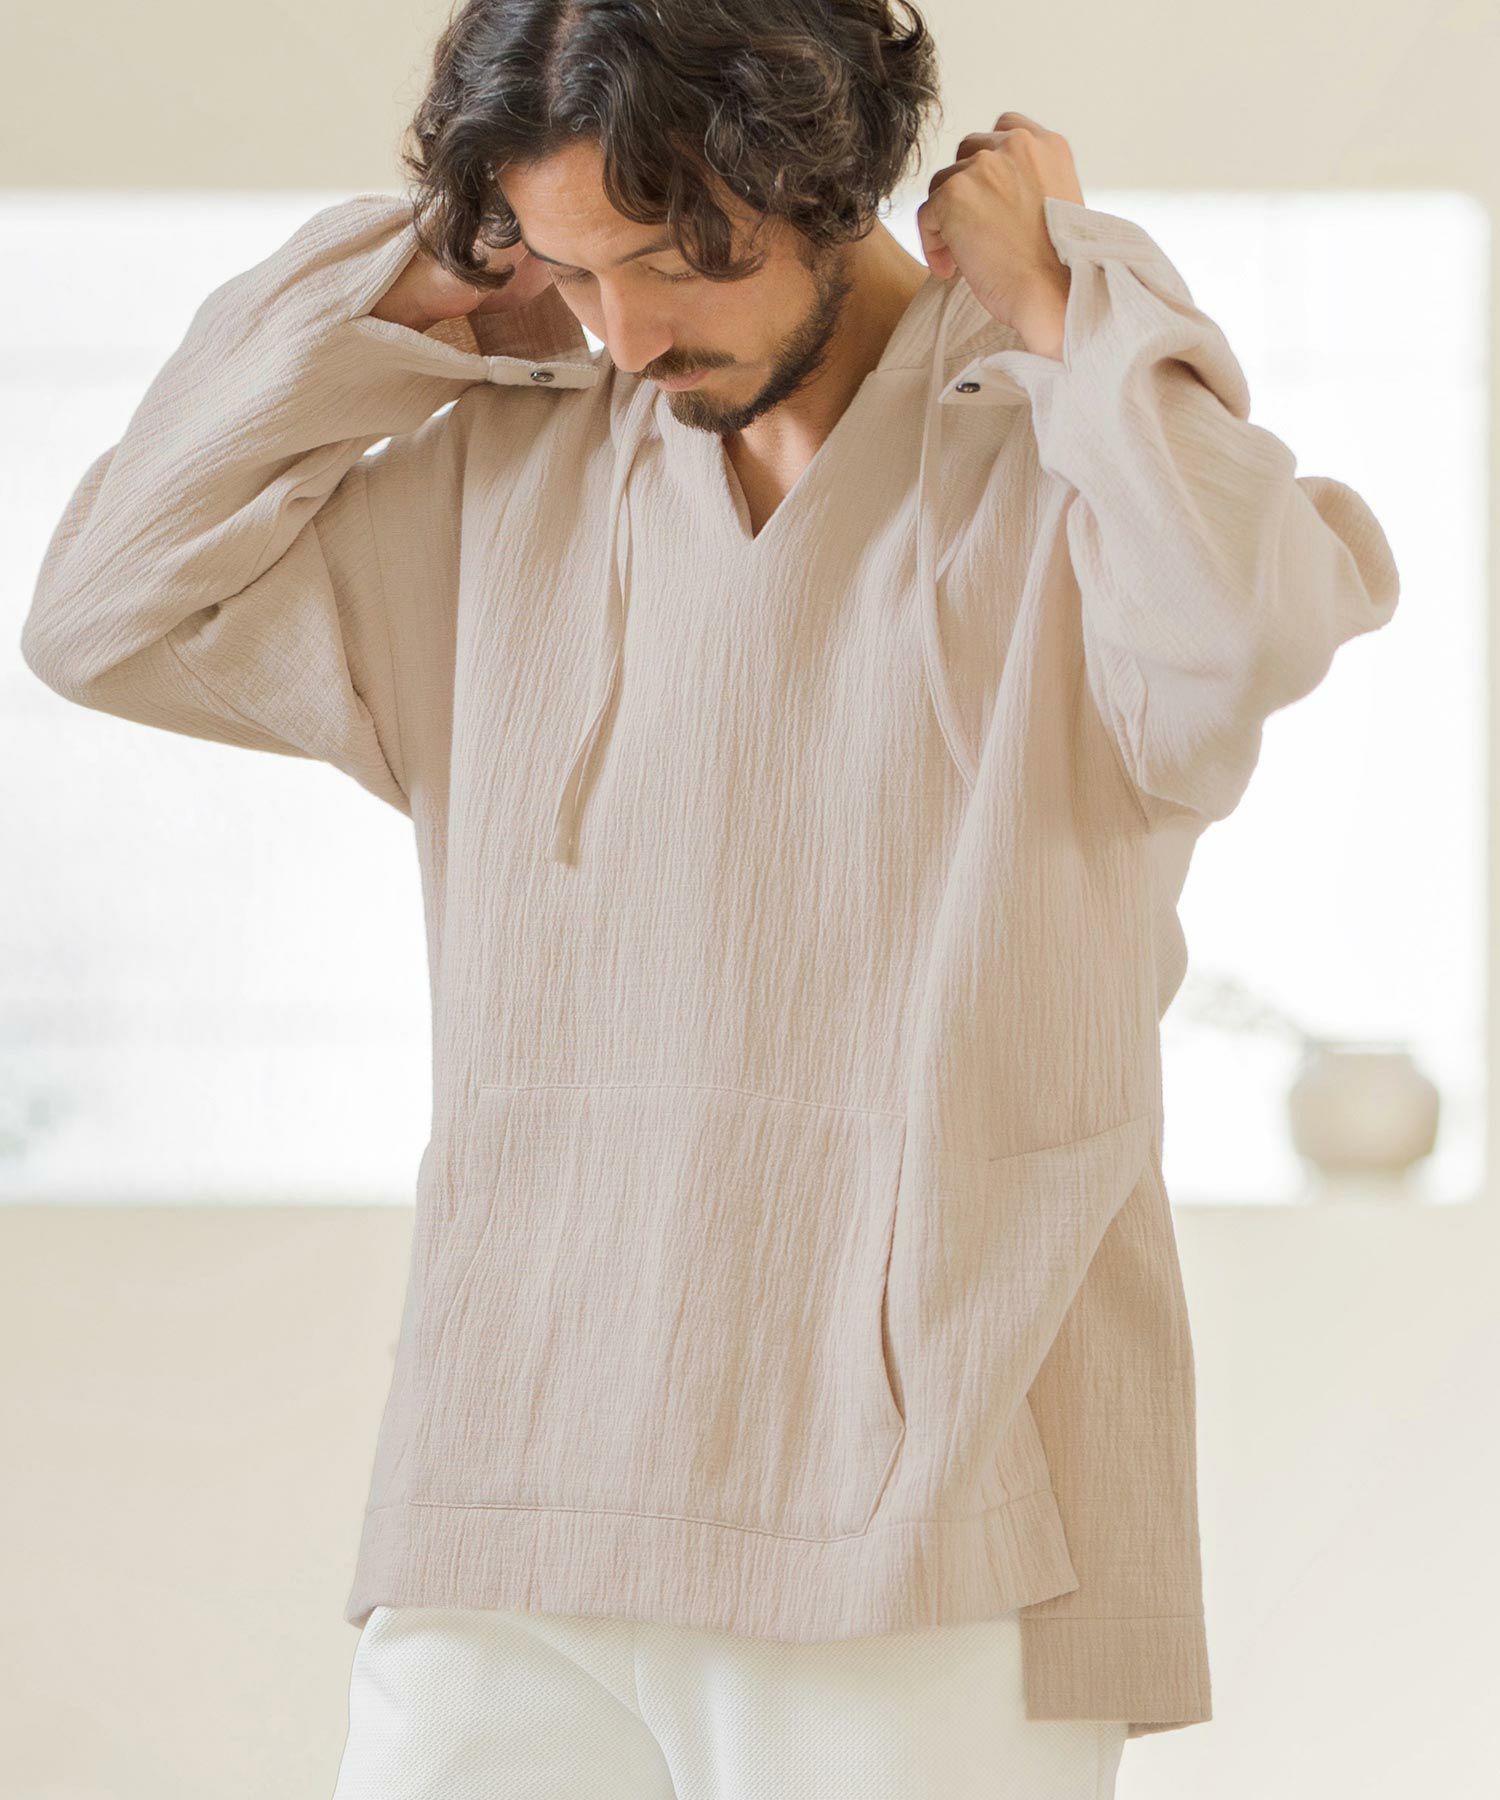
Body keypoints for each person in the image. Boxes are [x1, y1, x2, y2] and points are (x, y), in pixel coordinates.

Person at [19, 0, 1401, 1792]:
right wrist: (399, 293)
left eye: (679, 260)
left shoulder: (1059, 456)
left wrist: (1079, 299)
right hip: (512, 1485)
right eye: (576, 269)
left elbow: (1249, 623)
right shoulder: (515, 461)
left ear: (828, 176)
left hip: (927, 1521)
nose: (628, 333)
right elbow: (103, 615)